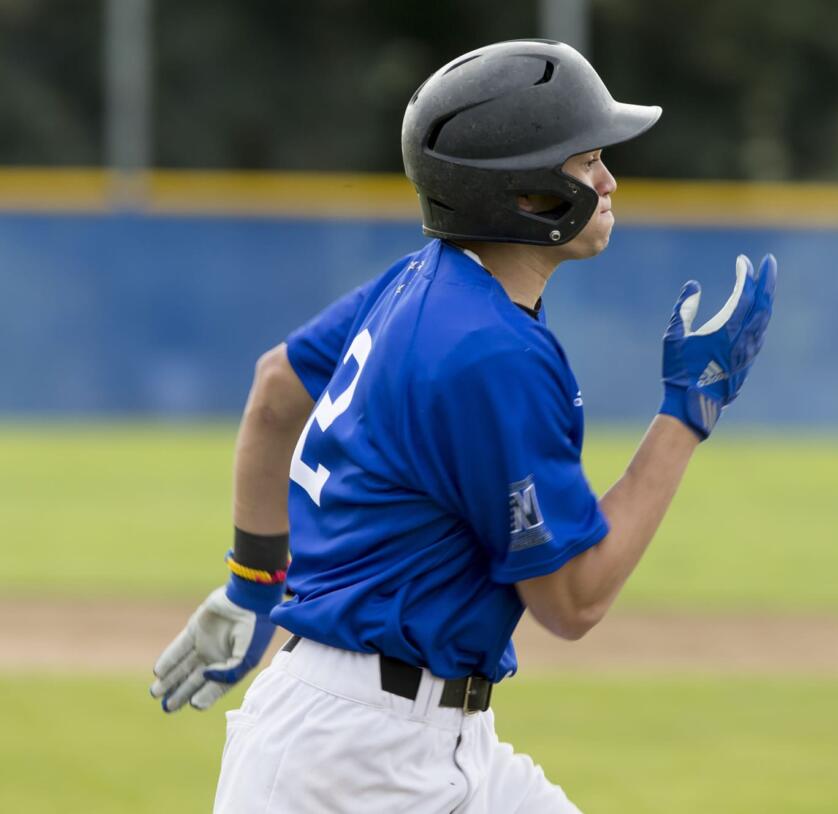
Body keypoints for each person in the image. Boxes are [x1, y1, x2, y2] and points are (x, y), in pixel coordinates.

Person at [148, 39, 777, 813]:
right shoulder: (490, 352)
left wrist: (252, 584)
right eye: (585, 162)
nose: (609, 182)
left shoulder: (428, 278)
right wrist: (688, 410)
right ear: (524, 193)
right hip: (348, 768)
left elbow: (278, 388)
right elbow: (572, 601)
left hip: (414, 733)